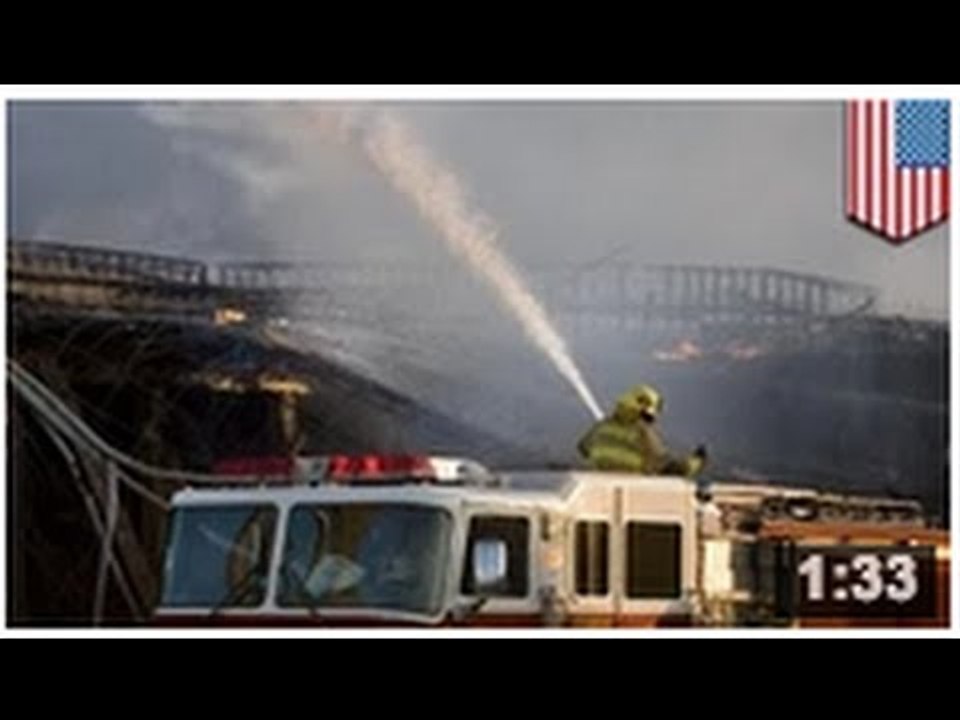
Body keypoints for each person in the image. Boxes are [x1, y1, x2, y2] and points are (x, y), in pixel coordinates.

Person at [577, 384, 707, 477]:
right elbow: (666, 465)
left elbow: (583, 448)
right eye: (649, 417)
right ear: (644, 411)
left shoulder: (601, 426)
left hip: (601, 490)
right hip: (634, 493)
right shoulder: (642, 432)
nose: (650, 422)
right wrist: (696, 462)